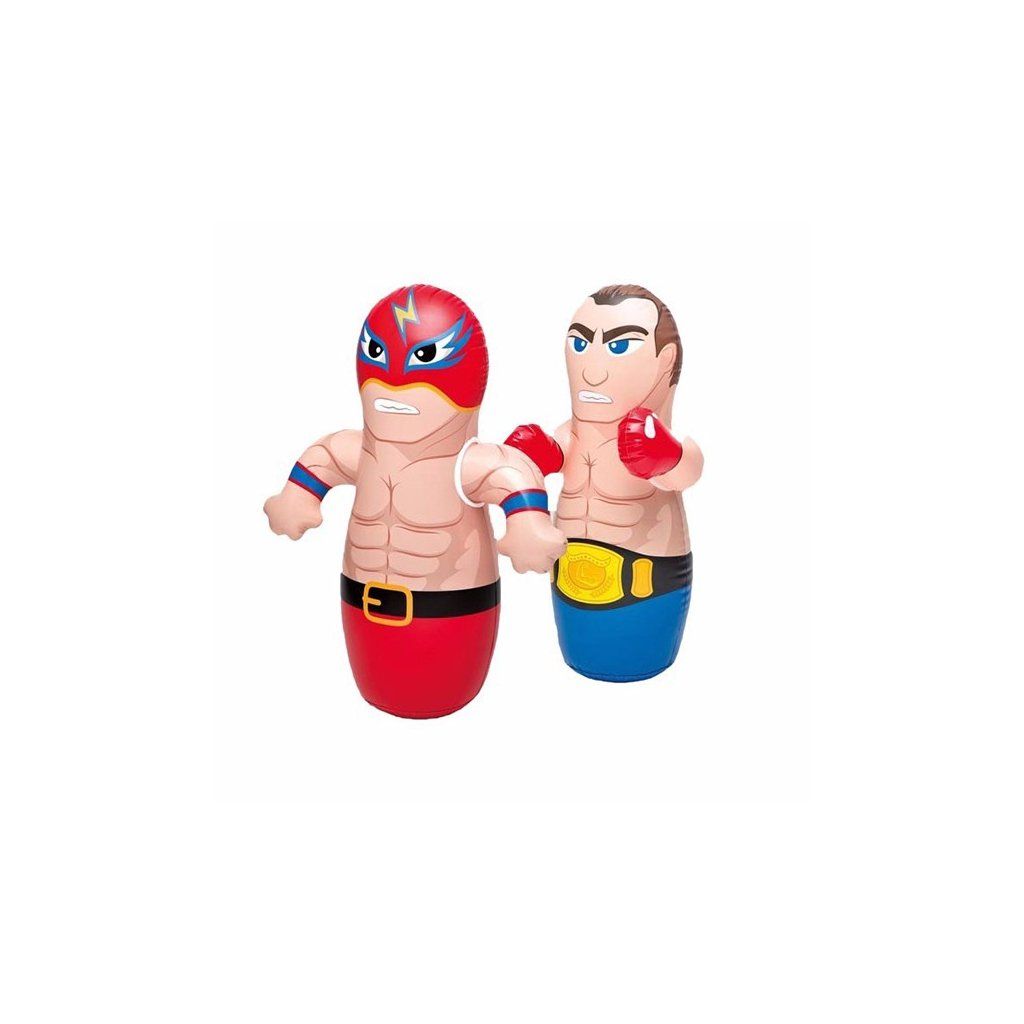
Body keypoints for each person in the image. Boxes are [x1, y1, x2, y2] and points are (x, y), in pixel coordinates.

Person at [265, 284, 566, 717]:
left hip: (454, 617)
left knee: (438, 689)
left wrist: (529, 525)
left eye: (422, 360)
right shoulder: (359, 451)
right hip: (364, 610)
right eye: (378, 356)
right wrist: (294, 499)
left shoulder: (466, 461)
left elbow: (511, 474)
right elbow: (322, 459)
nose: (395, 380)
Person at [505, 285, 703, 682]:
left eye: (619, 346)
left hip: (648, 580)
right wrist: (536, 456)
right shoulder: (571, 435)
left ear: (665, 359)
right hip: (569, 577)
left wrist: (665, 456)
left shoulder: (662, 440)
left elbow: (689, 468)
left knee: (637, 653)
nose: (592, 371)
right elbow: (548, 458)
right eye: (580, 344)